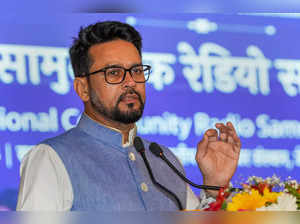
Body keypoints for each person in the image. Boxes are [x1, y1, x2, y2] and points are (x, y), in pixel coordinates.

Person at [16, 21, 241, 211]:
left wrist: (214, 185)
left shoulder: (164, 159)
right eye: (114, 73)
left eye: (136, 71)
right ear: (83, 88)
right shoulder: (51, 159)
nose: (131, 82)